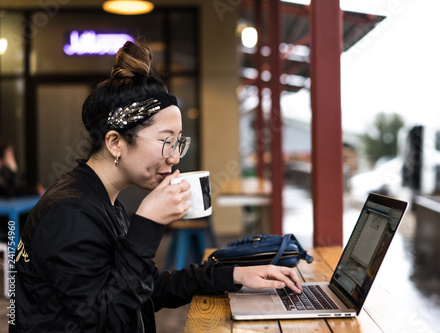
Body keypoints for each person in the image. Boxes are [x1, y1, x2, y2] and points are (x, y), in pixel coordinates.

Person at [12, 41, 302, 333]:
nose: (175, 157)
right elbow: (107, 320)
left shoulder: (101, 200)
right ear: (115, 143)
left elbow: (144, 288)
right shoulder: (69, 213)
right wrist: (147, 223)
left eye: (178, 142)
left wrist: (235, 275)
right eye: (166, 142)